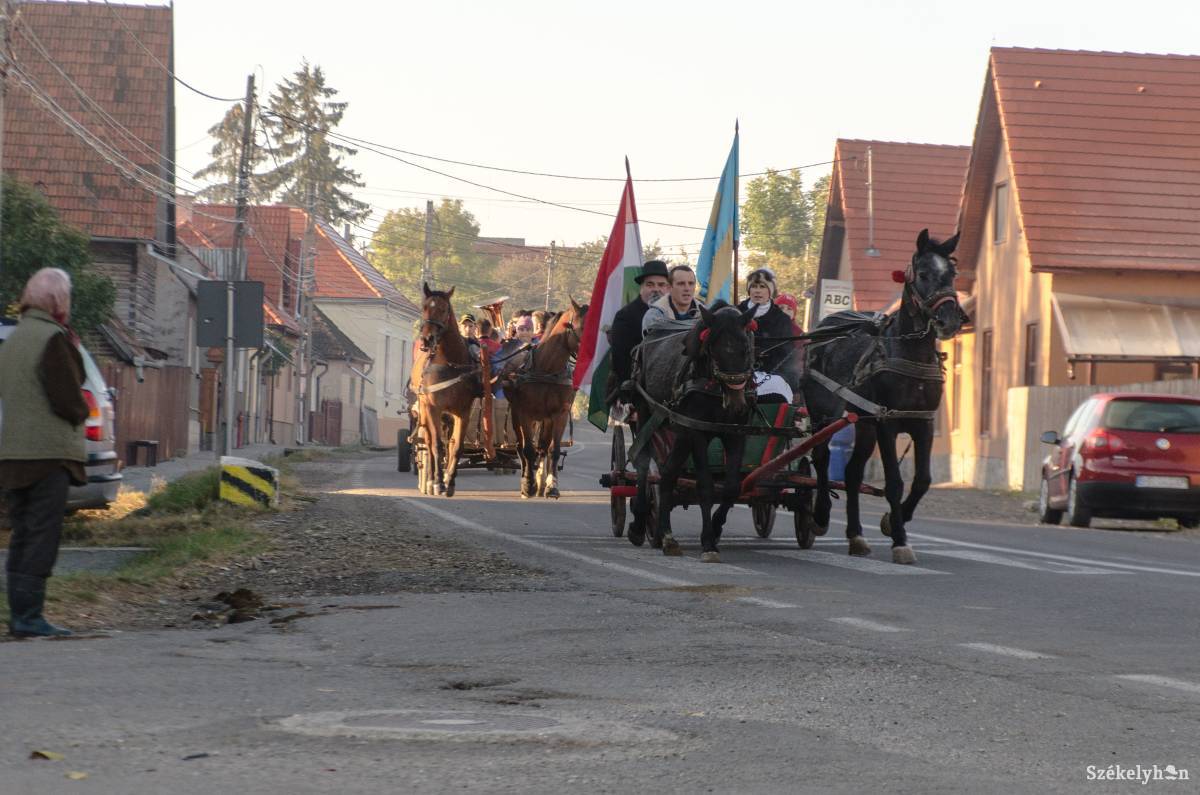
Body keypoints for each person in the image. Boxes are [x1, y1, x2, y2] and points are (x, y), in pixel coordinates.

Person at [0, 268, 89, 637]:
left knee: (23, 533)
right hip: (46, 454)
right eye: (65, 299)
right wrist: (82, 413)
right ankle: (29, 618)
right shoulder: (52, 339)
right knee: (42, 534)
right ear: (57, 302)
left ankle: (20, 613)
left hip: (13, 454)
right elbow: (68, 399)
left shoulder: (16, 338)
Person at [607, 260, 670, 403]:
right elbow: (621, 361)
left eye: (661, 285)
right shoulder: (625, 316)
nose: (656, 289)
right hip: (640, 391)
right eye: (650, 284)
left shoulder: (675, 313)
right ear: (641, 287)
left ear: (668, 288)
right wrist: (629, 400)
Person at [737, 267, 795, 403]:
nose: (757, 290)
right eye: (754, 286)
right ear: (749, 290)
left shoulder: (782, 320)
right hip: (737, 373)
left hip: (770, 374)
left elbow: (787, 354)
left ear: (770, 291)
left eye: (762, 286)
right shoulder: (736, 313)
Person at [641, 264, 706, 335]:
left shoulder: (705, 314)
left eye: (691, 283)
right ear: (669, 287)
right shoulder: (654, 316)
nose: (687, 288)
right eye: (681, 284)